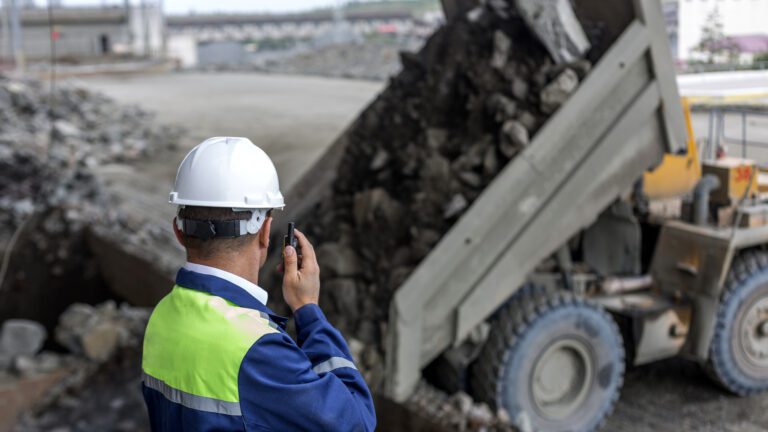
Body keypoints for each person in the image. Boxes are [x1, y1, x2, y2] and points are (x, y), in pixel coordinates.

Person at [141, 137, 376, 431]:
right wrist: (308, 310)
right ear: (266, 231)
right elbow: (357, 421)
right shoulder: (257, 349)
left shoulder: (162, 317)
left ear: (178, 231)